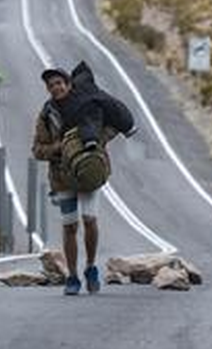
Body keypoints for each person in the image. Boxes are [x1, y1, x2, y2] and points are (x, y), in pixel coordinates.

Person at [32, 62, 135, 296]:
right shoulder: (48, 114)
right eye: (51, 85)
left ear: (68, 84)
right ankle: (72, 276)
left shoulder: (88, 104)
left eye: (59, 83)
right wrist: (60, 148)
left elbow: (112, 126)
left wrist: (96, 143)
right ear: (48, 89)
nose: (56, 88)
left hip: (89, 174)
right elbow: (37, 149)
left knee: (89, 220)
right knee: (70, 226)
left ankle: (90, 267)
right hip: (62, 178)